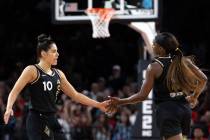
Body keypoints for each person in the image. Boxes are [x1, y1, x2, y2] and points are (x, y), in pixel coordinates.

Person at [4, 34, 108, 140]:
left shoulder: (59, 74)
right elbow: (14, 91)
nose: (57, 54)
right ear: (43, 54)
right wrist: (8, 107)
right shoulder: (32, 70)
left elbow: (76, 95)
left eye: (57, 51)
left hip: (52, 118)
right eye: (54, 51)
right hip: (37, 120)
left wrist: (98, 105)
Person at [106, 32, 208, 140]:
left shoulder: (154, 67)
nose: (152, 46)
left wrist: (121, 101)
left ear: (161, 49)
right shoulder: (183, 61)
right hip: (184, 110)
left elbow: (142, 96)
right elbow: (203, 79)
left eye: (154, 44)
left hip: (168, 111)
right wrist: (194, 97)